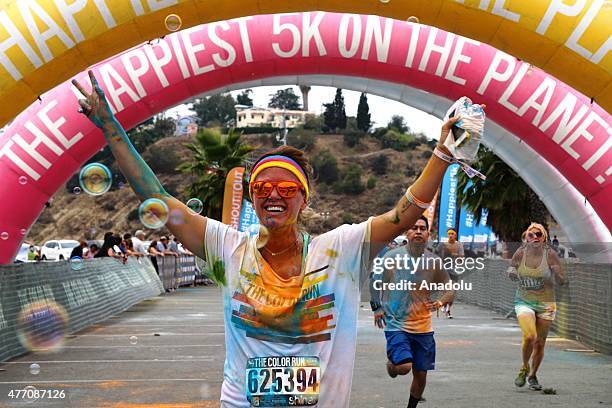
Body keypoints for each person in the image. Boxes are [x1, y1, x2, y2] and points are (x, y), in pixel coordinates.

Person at [73, 70, 465, 407]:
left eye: (285, 187)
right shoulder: (228, 247)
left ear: (303, 198)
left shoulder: (339, 248)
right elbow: (156, 196)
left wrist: (444, 152)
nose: (272, 194)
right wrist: (111, 127)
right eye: (261, 187)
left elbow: (404, 214)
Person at [370, 217, 453, 408]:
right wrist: (377, 307)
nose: (418, 231)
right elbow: (376, 281)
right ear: (407, 233)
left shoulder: (434, 262)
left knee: (421, 375)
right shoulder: (392, 257)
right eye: (414, 228)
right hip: (397, 324)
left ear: (428, 235)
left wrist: (440, 302)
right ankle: (393, 363)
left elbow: (450, 289)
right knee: (404, 367)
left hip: (423, 327)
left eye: (422, 229)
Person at [507, 223, 566, 391]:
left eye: (538, 234)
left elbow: (562, 281)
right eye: (530, 235)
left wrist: (557, 273)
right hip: (524, 301)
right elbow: (512, 267)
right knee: (530, 336)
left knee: (540, 343)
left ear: (544, 238)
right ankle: (524, 367)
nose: (534, 238)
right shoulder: (520, 253)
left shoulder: (551, 255)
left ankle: (532, 375)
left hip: (546, 303)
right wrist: (511, 272)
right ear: (526, 238)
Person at [437, 229, 464, 318]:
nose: (450, 235)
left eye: (452, 234)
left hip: (454, 270)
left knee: (453, 291)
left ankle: (448, 308)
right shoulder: (443, 245)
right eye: (449, 234)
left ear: (455, 235)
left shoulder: (459, 245)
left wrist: (457, 258)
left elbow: (461, 258)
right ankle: (446, 308)